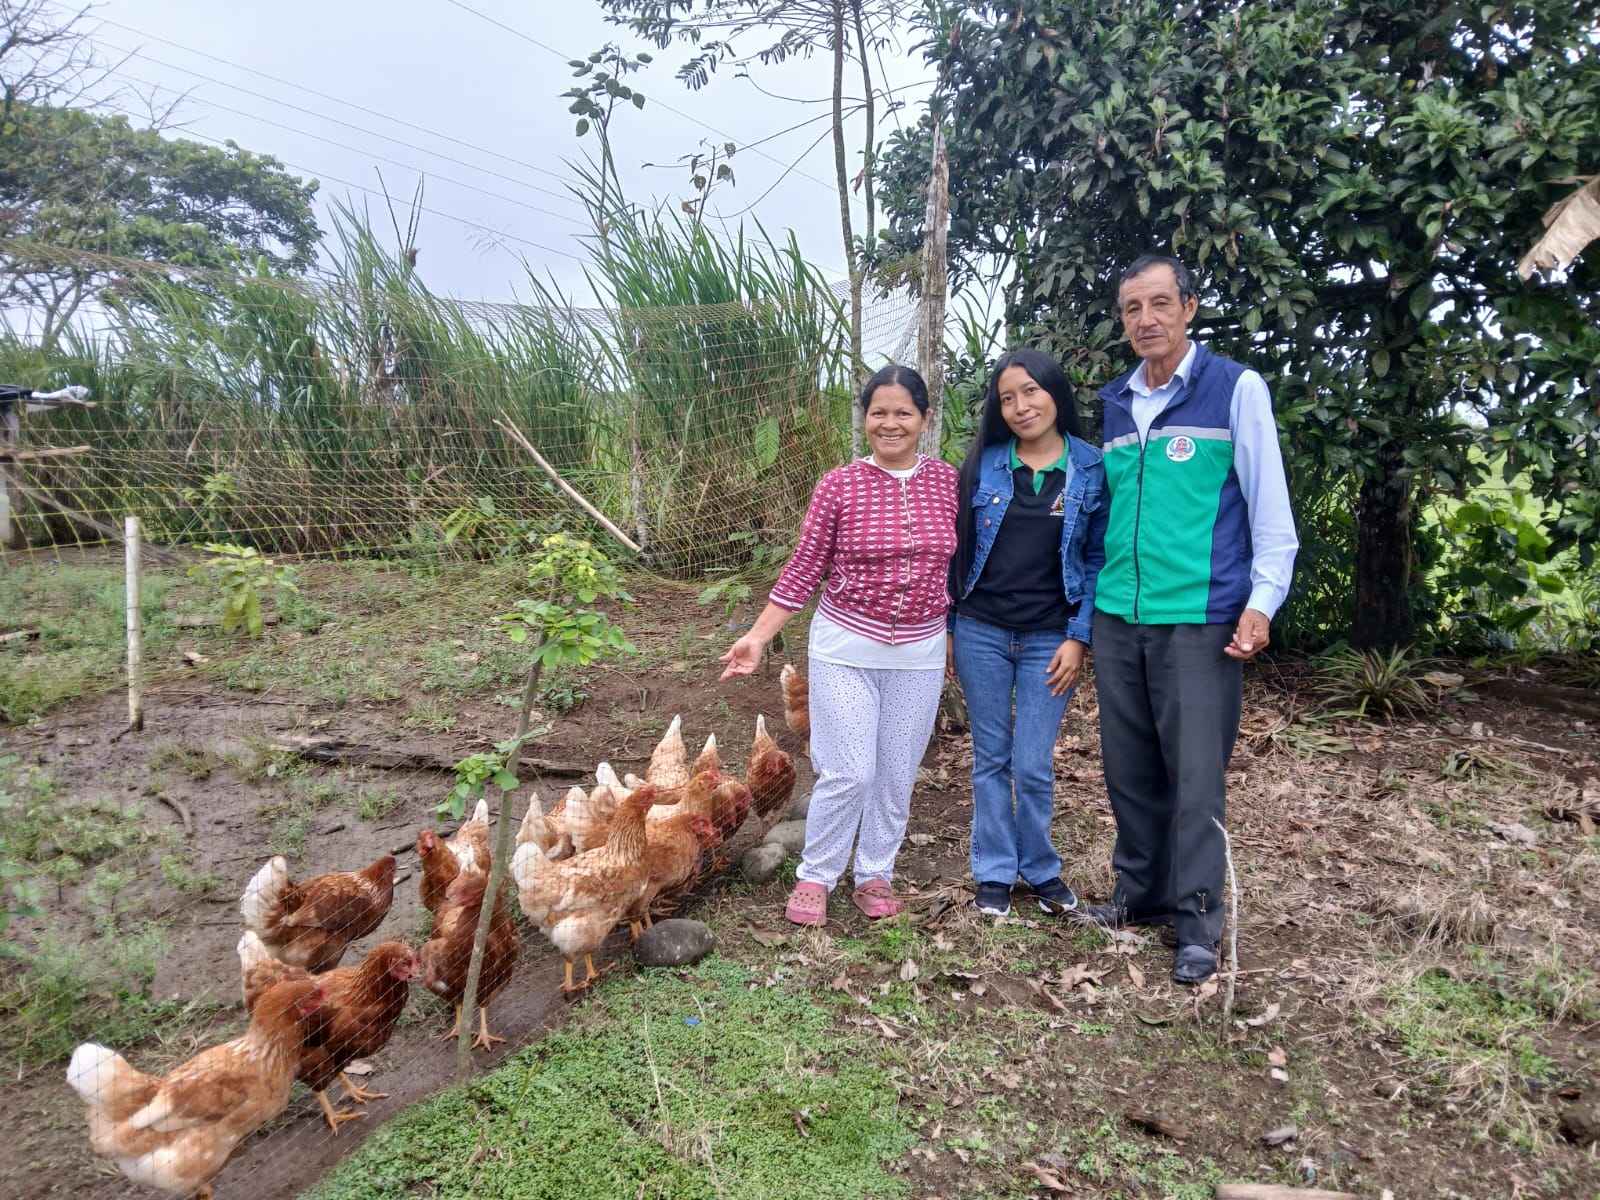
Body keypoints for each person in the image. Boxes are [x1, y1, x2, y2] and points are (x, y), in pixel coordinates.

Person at [1089, 254, 1298, 984]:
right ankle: (1139, 894)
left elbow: (1269, 507)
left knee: (1196, 777)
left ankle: (1198, 920)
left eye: (1159, 303)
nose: (1146, 320)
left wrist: (1262, 602)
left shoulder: (1235, 388)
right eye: (1132, 308)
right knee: (1129, 767)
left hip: (1201, 616)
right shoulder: (1118, 403)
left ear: (1189, 306)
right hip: (1120, 615)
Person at [720, 364, 959, 927]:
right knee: (849, 770)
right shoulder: (840, 484)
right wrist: (758, 636)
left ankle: (875, 871)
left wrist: (954, 634)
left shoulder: (949, 482)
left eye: (903, 413)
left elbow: (961, 567)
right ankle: (817, 874)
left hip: (920, 654)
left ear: (924, 419)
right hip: (846, 648)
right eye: (879, 412)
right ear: (865, 418)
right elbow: (805, 568)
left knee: (896, 773)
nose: (890, 423)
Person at [949, 349, 1107, 919]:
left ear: (1055, 393)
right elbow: (958, 550)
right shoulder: (985, 463)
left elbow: (1097, 559)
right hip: (981, 631)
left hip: (1051, 638)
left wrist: (1079, 637)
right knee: (991, 756)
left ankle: (1039, 867)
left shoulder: (1092, 467)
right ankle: (994, 869)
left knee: (1033, 761)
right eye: (1007, 398)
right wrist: (950, 628)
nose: (1020, 407)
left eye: (1031, 392)